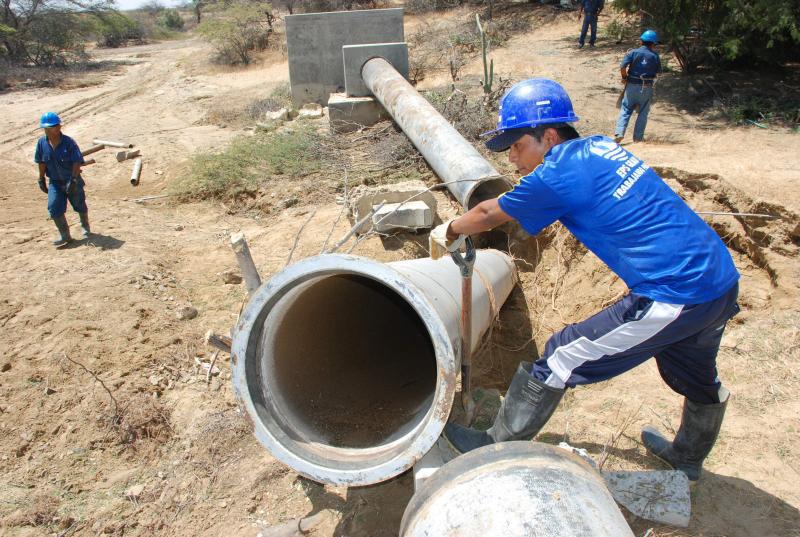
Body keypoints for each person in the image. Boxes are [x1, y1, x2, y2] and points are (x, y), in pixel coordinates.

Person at [430, 78, 740, 482]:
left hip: (675, 293)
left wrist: (450, 230)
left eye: (517, 146)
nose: (513, 159)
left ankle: (495, 444)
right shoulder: (602, 148)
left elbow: (489, 214)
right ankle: (686, 457)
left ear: (550, 136)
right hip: (718, 280)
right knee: (695, 374)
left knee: (561, 355)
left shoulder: (557, 174)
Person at [34, 112, 90, 247]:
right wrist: (41, 178)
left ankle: (85, 226)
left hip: (72, 179)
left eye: (52, 127)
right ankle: (65, 235)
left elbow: (77, 162)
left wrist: (74, 179)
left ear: (59, 126)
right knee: (54, 208)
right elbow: (41, 161)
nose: (48, 130)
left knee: (79, 204)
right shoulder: (42, 143)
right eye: (46, 128)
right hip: (55, 182)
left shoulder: (69, 142)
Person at [614, 30, 662, 143]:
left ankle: (619, 133)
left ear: (641, 41)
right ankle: (638, 138)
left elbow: (622, 67)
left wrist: (624, 77)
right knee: (643, 113)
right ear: (653, 44)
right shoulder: (655, 56)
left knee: (625, 109)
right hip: (646, 87)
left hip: (631, 85)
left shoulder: (632, 52)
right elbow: (658, 72)